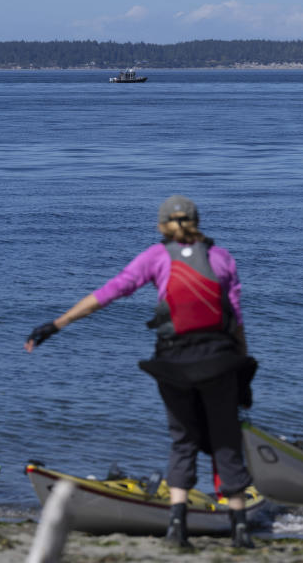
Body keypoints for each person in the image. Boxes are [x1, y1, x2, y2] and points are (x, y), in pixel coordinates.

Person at [24, 195, 257, 550]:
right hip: (219, 362)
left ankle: (176, 530)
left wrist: (57, 324)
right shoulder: (222, 258)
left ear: (162, 226)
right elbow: (236, 321)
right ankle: (240, 532)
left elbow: (110, 292)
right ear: (197, 221)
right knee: (225, 440)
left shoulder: (156, 257)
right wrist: (241, 366)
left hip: (173, 364)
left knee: (184, 440)